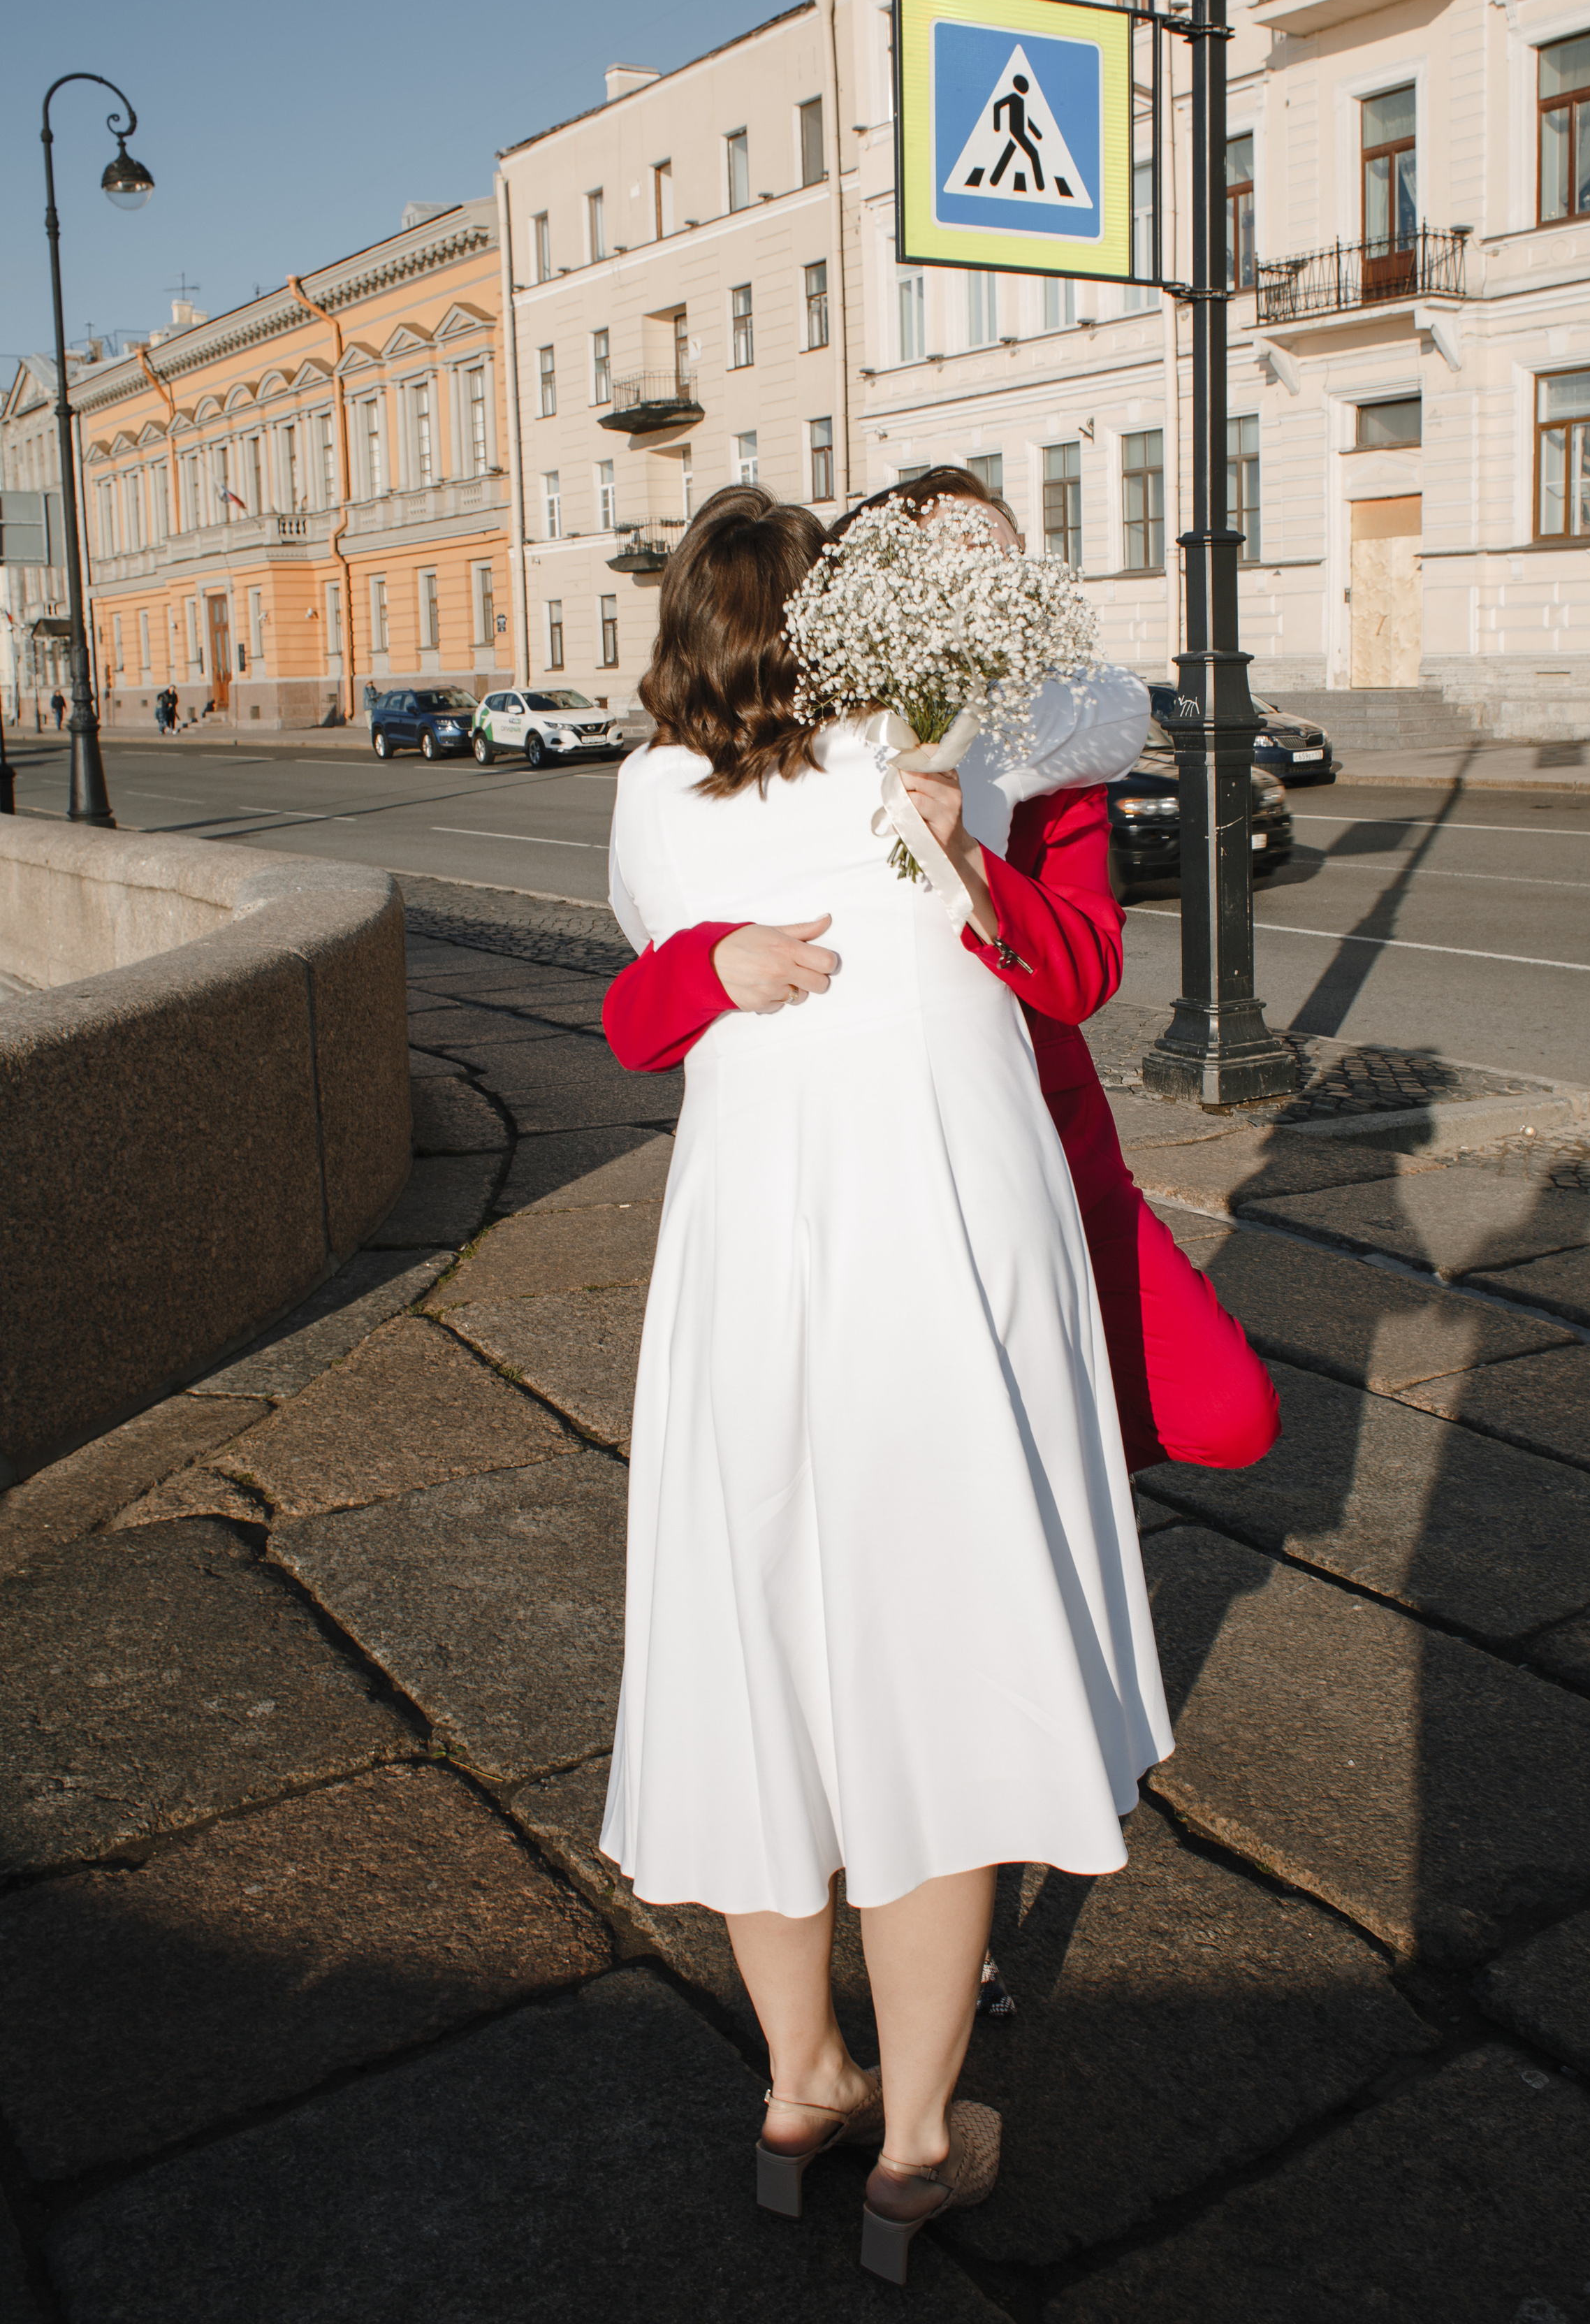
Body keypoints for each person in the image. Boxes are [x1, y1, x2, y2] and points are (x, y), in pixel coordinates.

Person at [599, 486, 1173, 2285]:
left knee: (756, 1658)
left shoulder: (650, 793)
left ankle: (800, 2089)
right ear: (851, 621)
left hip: (752, 1259)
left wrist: (704, 965)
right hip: (940, 1237)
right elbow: (1114, 715)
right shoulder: (955, 749)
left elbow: (635, 991)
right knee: (944, 1654)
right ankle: (917, 2147)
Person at [603, 467, 1279, 1482]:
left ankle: (1068, 1472)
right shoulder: (777, 767)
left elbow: (1083, 973)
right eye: (958, 562)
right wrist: (710, 960)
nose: (988, 584)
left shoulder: (1039, 760)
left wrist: (968, 859)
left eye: (1006, 562)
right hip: (868, 1161)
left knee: (1224, 1417)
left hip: (1050, 1141)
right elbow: (641, 998)